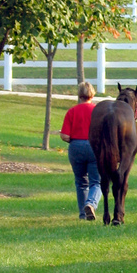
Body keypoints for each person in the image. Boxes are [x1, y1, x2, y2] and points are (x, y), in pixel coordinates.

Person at [60, 81, 102, 220]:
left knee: (81, 181)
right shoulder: (98, 111)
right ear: (92, 94)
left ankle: (83, 214)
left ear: (79, 94)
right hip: (94, 146)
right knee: (96, 181)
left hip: (76, 146)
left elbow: (65, 136)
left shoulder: (72, 111)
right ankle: (91, 203)